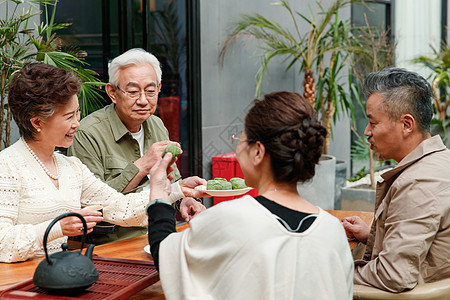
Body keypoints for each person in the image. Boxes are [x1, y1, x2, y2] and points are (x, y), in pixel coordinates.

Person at [147, 91, 354, 299]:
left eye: (240, 139)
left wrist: (159, 194)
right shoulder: (333, 230)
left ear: (258, 152)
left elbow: (166, 257)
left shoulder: (231, 218)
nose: (237, 147)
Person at [0, 63, 206, 263]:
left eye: (78, 112)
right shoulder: (7, 165)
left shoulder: (71, 167)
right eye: (69, 116)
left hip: (60, 275)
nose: (77, 123)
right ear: (37, 122)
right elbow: (2, 243)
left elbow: (121, 209)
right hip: (15, 284)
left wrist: (178, 189)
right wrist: (58, 228)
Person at [68, 48, 196, 244]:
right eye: (133, 91)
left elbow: (172, 180)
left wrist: (184, 201)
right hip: (112, 245)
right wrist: (143, 165)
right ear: (112, 92)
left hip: (160, 234)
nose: (143, 100)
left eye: (151, 91)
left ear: (159, 88)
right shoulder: (87, 133)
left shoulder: (156, 124)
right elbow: (93, 204)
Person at [342, 67, 450, 292]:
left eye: (373, 123)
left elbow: (394, 275)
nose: (366, 132)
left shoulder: (418, 183)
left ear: (406, 124)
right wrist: (371, 236)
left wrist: (332, 269)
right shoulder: (440, 161)